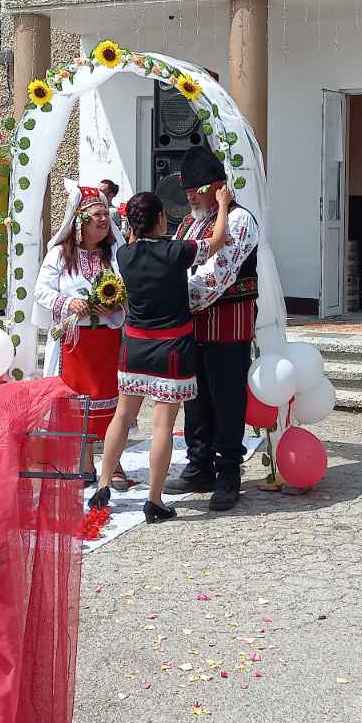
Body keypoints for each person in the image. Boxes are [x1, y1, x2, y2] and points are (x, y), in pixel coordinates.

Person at [91, 189, 230, 522]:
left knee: (122, 416)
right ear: (160, 219)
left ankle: (103, 484)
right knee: (163, 426)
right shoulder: (176, 251)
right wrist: (223, 205)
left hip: (135, 346)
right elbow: (217, 241)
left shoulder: (124, 254)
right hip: (171, 348)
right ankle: (154, 500)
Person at [163, 147, 262, 511]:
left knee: (227, 399)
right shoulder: (189, 223)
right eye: (187, 190)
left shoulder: (239, 220)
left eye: (196, 190)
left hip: (227, 326)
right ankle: (199, 465)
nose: (190, 196)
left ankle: (228, 472)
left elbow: (215, 276)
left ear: (218, 187)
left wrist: (167, 299)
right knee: (195, 398)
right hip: (192, 325)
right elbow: (176, 264)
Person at [34, 185, 126, 456]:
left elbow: (127, 287)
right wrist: (68, 303)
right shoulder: (59, 254)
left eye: (105, 214)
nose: (104, 219)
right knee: (75, 400)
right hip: (72, 343)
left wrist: (115, 305)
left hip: (107, 342)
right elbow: (41, 290)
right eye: (96, 215)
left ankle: (113, 461)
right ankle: (82, 459)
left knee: (110, 399)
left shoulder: (115, 254)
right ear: (79, 221)